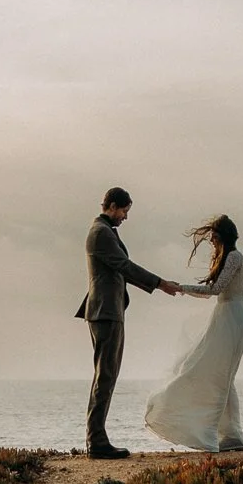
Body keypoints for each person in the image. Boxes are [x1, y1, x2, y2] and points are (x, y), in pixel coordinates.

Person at [75, 187, 178, 458]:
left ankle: (96, 439)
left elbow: (122, 268)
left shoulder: (105, 231)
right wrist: (160, 283)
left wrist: (157, 285)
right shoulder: (101, 233)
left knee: (107, 375)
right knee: (106, 376)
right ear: (111, 206)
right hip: (105, 312)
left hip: (109, 311)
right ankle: (96, 441)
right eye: (124, 211)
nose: (125, 217)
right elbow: (125, 266)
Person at [144, 215, 243, 453]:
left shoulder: (234, 256)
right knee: (223, 378)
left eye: (214, 236)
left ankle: (212, 434)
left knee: (217, 376)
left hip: (232, 319)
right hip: (228, 317)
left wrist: (182, 287)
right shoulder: (231, 257)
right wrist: (183, 289)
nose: (211, 240)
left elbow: (215, 290)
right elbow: (212, 292)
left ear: (222, 235)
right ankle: (232, 436)